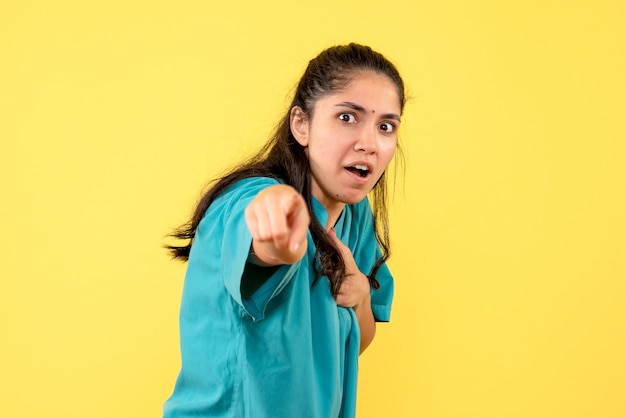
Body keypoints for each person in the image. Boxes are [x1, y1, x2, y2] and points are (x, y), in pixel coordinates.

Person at [163, 43, 406, 418]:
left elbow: (351, 343)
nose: (369, 144)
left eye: (385, 126)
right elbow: (258, 235)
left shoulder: (356, 218)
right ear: (301, 125)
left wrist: (359, 297)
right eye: (347, 118)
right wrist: (278, 236)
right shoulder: (247, 199)